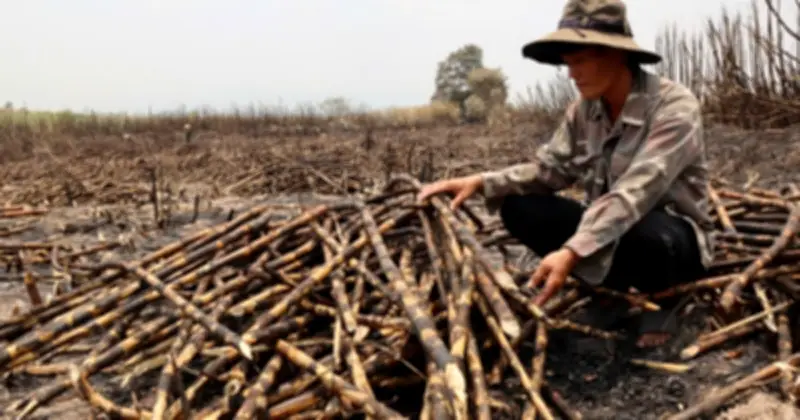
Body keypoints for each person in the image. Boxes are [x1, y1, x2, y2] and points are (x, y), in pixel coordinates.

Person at [417, 0, 715, 348]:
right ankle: (610, 292)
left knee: (645, 228)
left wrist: (572, 251)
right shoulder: (583, 111)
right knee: (519, 206)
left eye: (580, 61)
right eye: (567, 64)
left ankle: (665, 298)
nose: (571, 74)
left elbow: (638, 190)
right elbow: (551, 170)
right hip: (608, 232)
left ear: (616, 55)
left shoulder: (674, 106)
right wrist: (483, 182)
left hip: (670, 241)